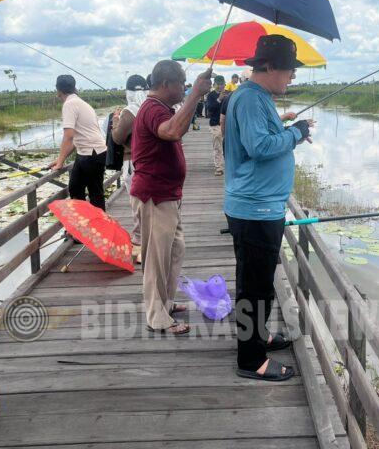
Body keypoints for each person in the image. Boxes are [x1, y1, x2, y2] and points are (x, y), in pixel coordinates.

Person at [223, 34, 314, 382]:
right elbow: (259, 146)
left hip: (262, 207)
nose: (292, 77)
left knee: (259, 282)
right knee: (255, 286)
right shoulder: (249, 98)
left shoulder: (258, 97)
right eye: (290, 70)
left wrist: (291, 132)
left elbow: (263, 141)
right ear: (271, 67)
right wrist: (295, 134)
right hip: (254, 209)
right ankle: (251, 359)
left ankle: (258, 336)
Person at [131, 60, 212, 334]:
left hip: (168, 194)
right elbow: (172, 131)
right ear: (166, 84)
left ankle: (165, 302)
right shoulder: (153, 108)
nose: (184, 88)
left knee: (174, 251)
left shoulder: (162, 108)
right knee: (156, 259)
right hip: (155, 196)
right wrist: (195, 95)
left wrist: (192, 97)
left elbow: (179, 126)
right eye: (181, 84)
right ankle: (157, 317)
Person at [49, 75, 108, 210]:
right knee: (75, 188)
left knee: (95, 193)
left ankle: (97, 222)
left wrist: (60, 162)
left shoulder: (69, 104)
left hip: (91, 154)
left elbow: (68, 136)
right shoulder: (80, 103)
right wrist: (60, 159)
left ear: (58, 90)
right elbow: (76, 140)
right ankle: (84, 220)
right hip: (90, 152)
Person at [112, 74, 149, 262]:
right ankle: (145, 242)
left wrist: (115, 120)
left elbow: (118, 138)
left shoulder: (129, 111)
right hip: (150, 161)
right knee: (147, 204)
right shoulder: (150, 107)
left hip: (133, 163)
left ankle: (140, 243)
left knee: (136, 204)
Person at [206, 75, 226, 176]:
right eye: (218, 84)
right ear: (215, 85)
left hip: (227, 124)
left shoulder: (228, 95)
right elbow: (209, 109)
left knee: (228, 146)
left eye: (222, 84)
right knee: (218, 146)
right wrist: (219, 99)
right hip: (215, 124)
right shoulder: (211, 95)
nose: (220, 86)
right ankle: (219, 167)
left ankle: (230, 165)